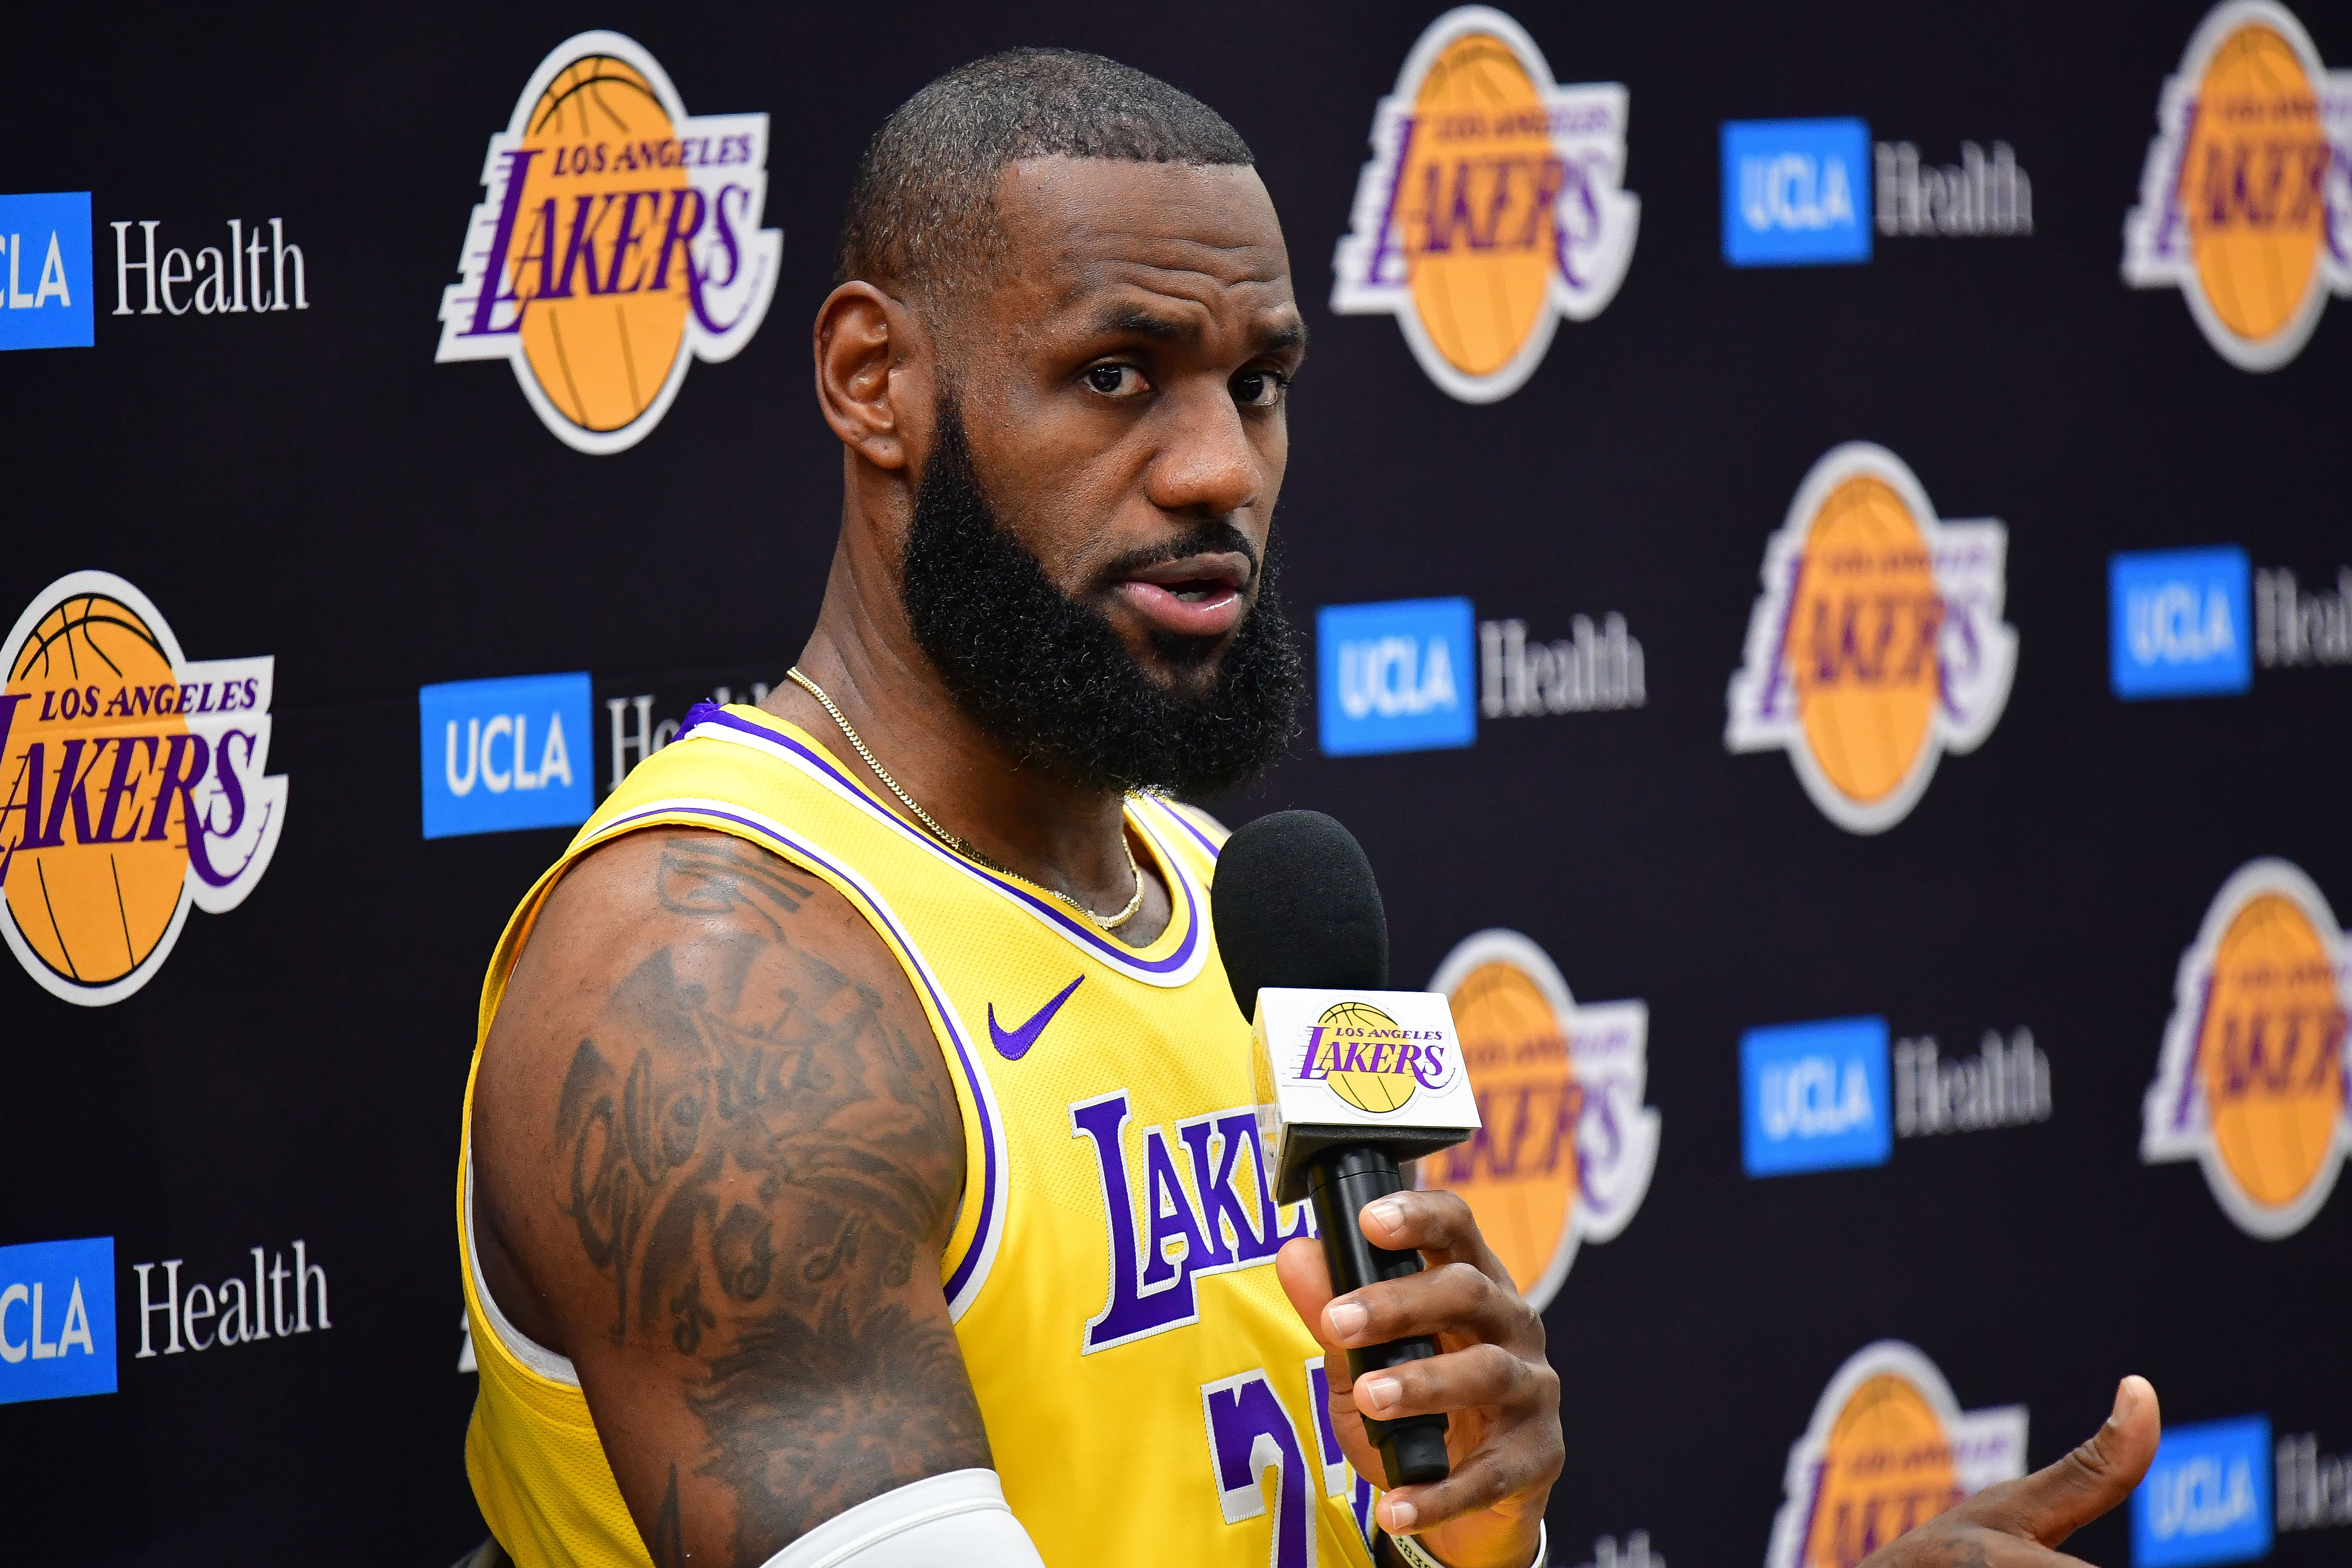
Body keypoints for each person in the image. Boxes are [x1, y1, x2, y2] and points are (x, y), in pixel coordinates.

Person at [455, 48, 2162, 1568]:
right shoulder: (709, 979)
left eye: (1256, 385)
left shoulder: (1243, 906)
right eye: (1119, 372)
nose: (1218, 469)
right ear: (871, 381)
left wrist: (1487, 1528)